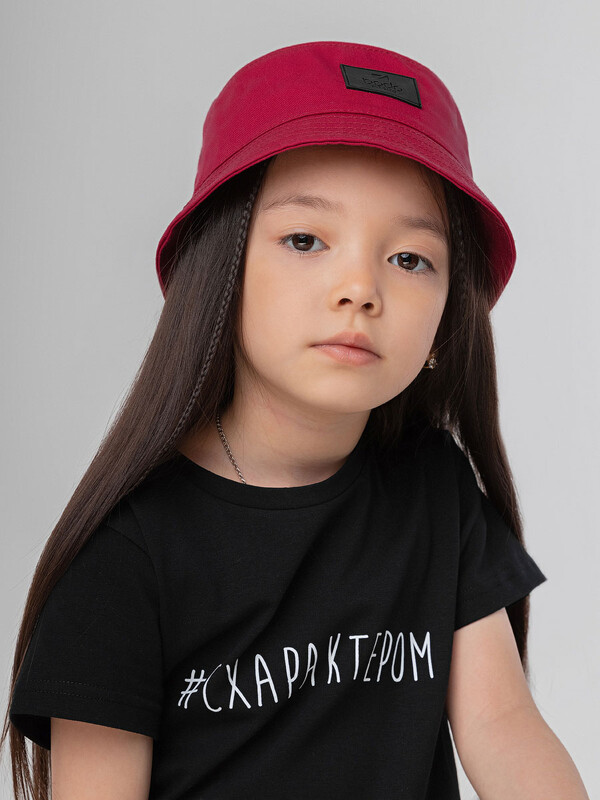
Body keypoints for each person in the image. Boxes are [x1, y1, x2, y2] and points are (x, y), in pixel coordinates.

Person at [1, 40, 589, 800]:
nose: (360, 289)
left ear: (449, 319)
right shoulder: (128, 556)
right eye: (305, 240)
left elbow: (504, 727)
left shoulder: (435, 491)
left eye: (410, 259)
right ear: (219, 272)